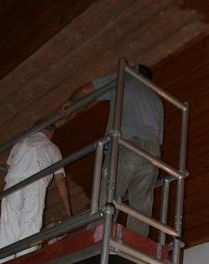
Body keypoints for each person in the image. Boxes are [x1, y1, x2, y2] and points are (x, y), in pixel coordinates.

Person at [63, 65, 163, 236]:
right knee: (142, 204)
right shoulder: (156, 99)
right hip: (152, 152)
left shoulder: (125, 80)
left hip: (126, 143)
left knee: (109, 195)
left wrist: (71, 103)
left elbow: (87, 89)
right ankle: (137, 243)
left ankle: (98, 236)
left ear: (134, 72)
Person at [0, 124, 72, 260]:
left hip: (11, 186)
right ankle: (24, 263)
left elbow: (8, 166)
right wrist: (68, 210)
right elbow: (60, 180)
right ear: (50, 132)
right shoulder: (52, 147)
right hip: (34, 184)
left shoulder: (19, 144)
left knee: (7, 229)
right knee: (29, 226)